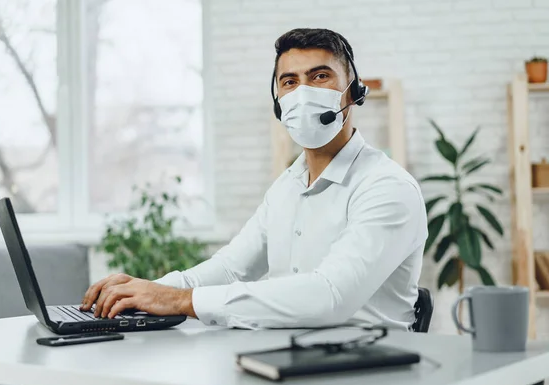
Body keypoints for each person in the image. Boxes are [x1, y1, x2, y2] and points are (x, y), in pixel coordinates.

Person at [81, 28, 427, 331]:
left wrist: (179, 300)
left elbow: (329, 296)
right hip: (292, 359)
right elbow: (231, 269)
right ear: (279, 104)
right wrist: (143, 292)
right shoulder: (287, 186)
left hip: (372, 371)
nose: (303, 92)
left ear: (353, 93)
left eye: (320, 76)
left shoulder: (387, 188)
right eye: (289, 82)